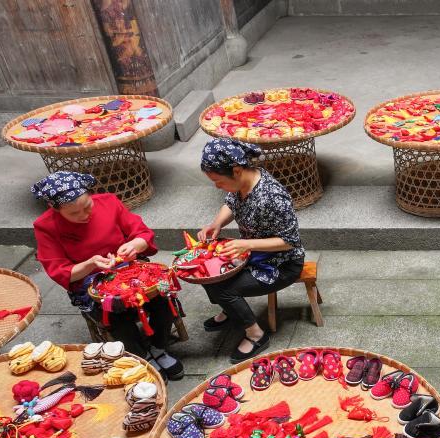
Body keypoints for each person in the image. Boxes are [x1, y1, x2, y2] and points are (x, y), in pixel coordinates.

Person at [32, 171, 184, 379]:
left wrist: (133, 245)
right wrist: (89, 264)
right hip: (90, 281)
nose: (85, 215)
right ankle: (142, 357)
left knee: (162, 295)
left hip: (129, 269)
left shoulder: (108, 202)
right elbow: (59, 271)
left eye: (88, 206)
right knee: (115, 312)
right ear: (54, 208)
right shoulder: (45, 226)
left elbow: (141, 233)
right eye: (74, 214)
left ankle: (159, 348)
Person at [197, 139, 305, 363]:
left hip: (282, 263)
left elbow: (289, 241)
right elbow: (230, 203)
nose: (217, 186)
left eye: (218, 181)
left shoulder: (272, 196)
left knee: (223, 288)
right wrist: (216, 224)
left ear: (236, 171)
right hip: (252, 253)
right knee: (206, 271)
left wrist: (247, 244)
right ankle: (231, 311)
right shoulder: (242, 182)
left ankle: (256, 335)